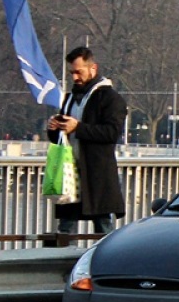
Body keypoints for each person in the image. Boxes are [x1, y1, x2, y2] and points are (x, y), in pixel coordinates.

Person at [46, 47, 127, 235]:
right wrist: (54, 129)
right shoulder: (70, 99)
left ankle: (103, 263)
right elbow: (64, 135)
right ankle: (64, 263)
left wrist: (78, 128)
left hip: (97, 176)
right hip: (70, 174)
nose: (75, 77)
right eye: (72, 73)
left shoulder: (110, 99)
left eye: (78, 72)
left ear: (93, 68)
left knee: (103, 230)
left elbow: (112, 133)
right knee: (65, 230)